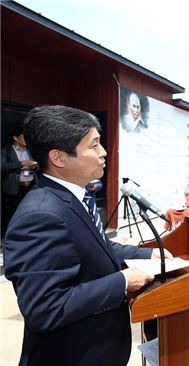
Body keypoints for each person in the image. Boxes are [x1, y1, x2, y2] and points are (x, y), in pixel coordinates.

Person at [3, 105, 172, 365]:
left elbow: (98, 246)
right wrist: (122, 282)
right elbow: (45, 308)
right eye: (94, 145)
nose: (104, 152)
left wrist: (149, 253)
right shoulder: (40, 216)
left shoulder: (76, 197)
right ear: (59, 158)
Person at [1, 127, 39, 234]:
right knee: (14, 211)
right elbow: (2, 166)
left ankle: (28, 232)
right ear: (15, 138)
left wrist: (34, 166)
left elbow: (38, 165)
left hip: (30, 185)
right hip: (14, 187)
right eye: (23, 137)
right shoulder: (7, 151)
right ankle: (13, 233)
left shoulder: (29, 151)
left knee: (29, 210)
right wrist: (21, 163)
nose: (26, 139)